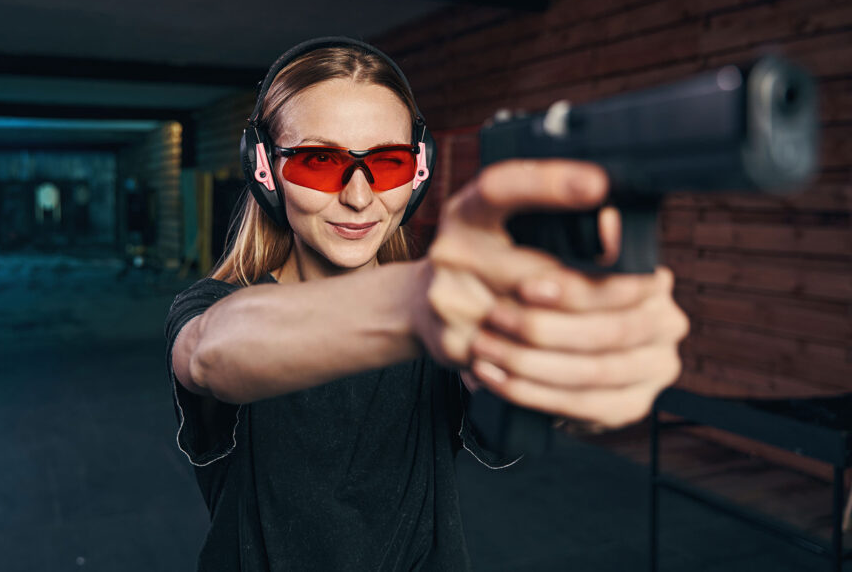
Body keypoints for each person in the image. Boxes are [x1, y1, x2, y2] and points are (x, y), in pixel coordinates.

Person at [164, 37, 688, 570]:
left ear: (418, 172)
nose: (360, 196)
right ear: (264, 168)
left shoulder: (447, 320)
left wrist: (565, 356)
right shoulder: (211, 307)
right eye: (319, 161)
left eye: (388, 163)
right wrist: (427, 302)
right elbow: (211, 352)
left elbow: (510, 410)